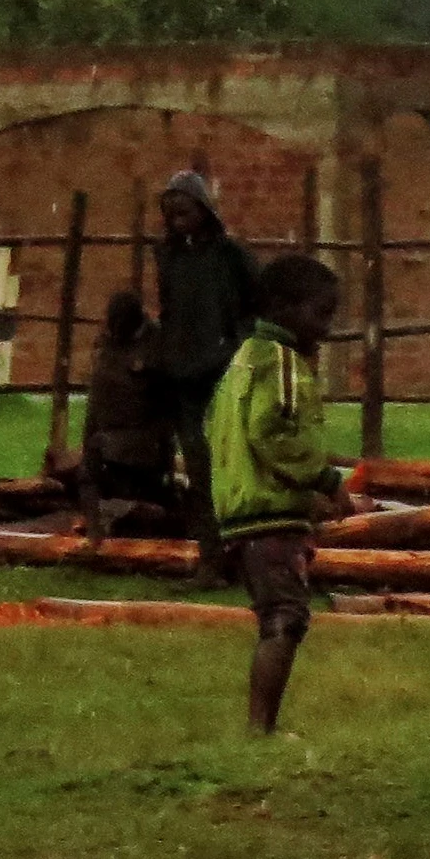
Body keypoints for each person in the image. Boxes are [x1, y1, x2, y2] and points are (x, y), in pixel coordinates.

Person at [206, 254, 347, 735]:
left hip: (242, 509)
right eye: (320, 313)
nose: (326, 329)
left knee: (277, 616)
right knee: (284, 619)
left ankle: (260, 727)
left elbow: (214, 427)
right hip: (268, 513)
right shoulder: (280, 361)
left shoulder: (242, 359)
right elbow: (272, 431)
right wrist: (324, 480)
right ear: (284, 309)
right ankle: (259, 730)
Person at [152, 171, 260, 575]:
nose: (176, 215)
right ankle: (211, 561)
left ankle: (246, 558)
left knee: (233, 466)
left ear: (203, 209)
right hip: (184, 378)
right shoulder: (168, 257)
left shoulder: (230, 255)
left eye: (184, 207)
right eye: (170, 209)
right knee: (198, 469)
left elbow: (258, 303)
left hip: (224, 372)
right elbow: (169, 313)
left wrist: (233, 345)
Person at [76, 291, 178, 523]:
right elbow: (96, 394)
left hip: (139, 444)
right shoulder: (107, 342)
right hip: (103, 436)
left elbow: (168, 405)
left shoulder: (156, 345)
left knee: (137, 509)